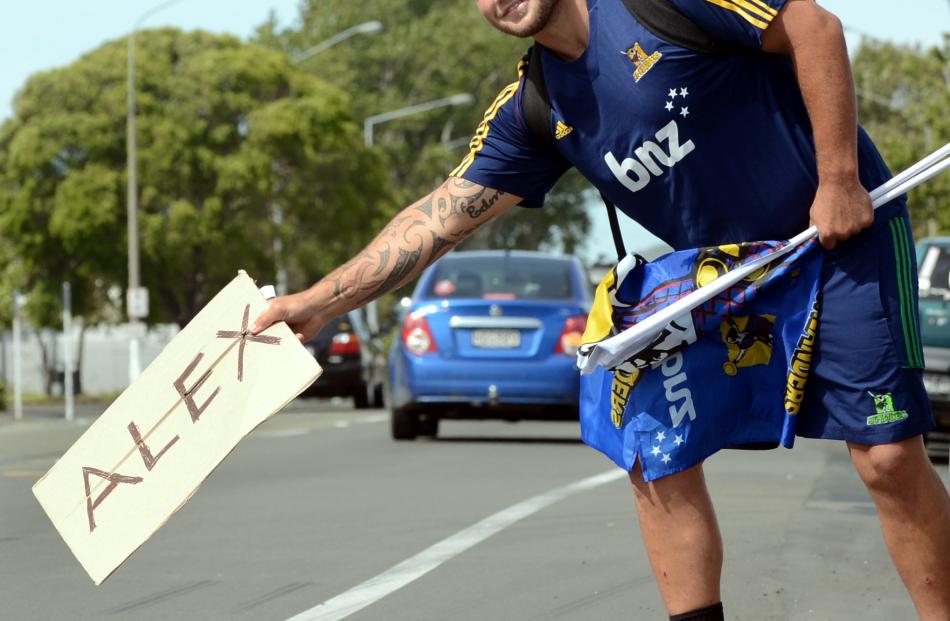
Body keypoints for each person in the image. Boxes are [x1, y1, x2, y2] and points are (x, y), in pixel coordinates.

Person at [252, 1, 950, 619]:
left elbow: (814, 26)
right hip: (726, 276)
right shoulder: (534, 107)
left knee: (888, 458)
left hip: (837, 234)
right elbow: (436, 220)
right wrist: (318, 301)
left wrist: (838, 178)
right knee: (650, 442)